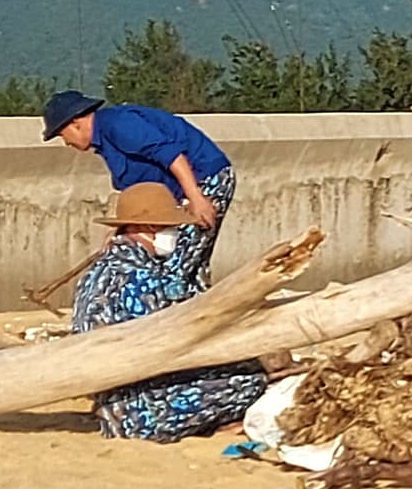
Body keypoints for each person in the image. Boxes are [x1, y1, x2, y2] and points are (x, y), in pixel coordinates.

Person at [71, 183, 268, 441]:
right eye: (172, 227)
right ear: (152, 228)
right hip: (140, 414)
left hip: (110, 394)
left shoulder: (100, 270)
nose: (176, 233)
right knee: (250, 380)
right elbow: (166, 345)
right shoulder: (141, 276)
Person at [44, 91, 236, 292]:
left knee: (179, 263)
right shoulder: (105, 144)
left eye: (62, 134)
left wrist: (196, 197)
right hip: (179, 193)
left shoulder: (119, 124)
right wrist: (118, 229)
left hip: (203, 180)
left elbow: (173, 156)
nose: (66, 142)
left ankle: (181, 306)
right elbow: (135, 189)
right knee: (176, 260)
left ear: (76, 123)